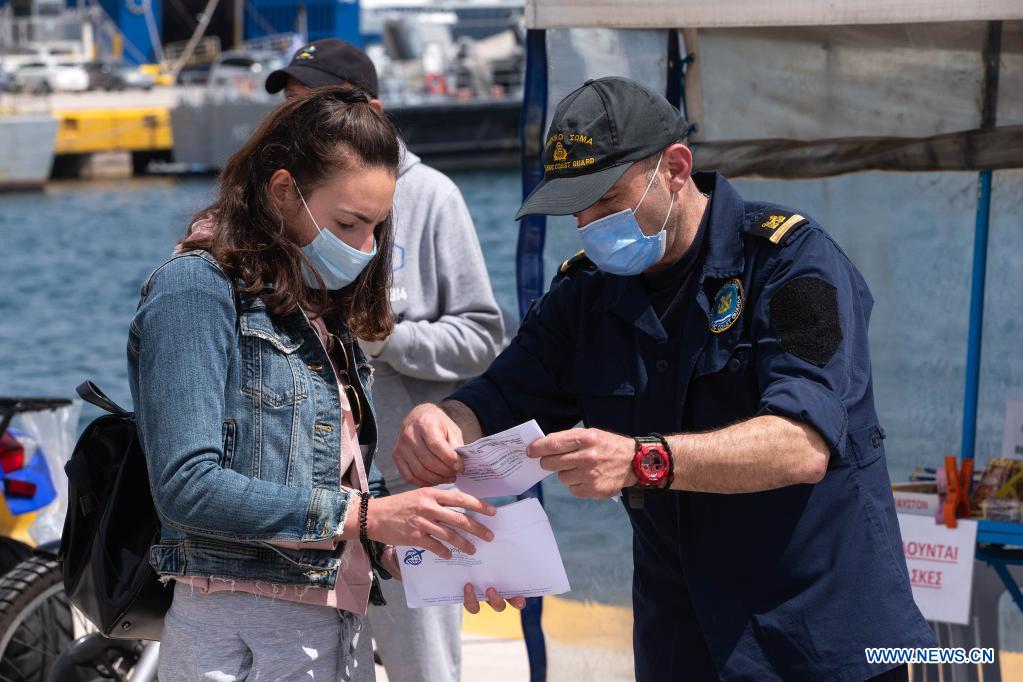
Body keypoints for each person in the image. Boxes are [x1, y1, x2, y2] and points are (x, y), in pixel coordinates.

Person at [392, 76, 938, 681]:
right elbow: (500, 396)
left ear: (676, 168)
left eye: (605, 200)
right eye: (574, 207)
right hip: (680, 639)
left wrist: (642, 460)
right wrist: (442, 421)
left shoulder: (792, 263)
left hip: (818, 639)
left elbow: (803, 442)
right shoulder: (585, 294)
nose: (588, 223)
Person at [128, 86, 521, 681]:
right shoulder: (194, 290)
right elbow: (186, 486)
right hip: (235, 645)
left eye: (377, 228)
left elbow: (338, 483)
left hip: (335, 638)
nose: (364, 248)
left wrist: (424, 550)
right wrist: (368, 517)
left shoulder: (318, 307)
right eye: (349, 223)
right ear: (283, 191)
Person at [266, 40, 505, 682]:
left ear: (368, 110)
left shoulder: (431, 196)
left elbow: (484, 337)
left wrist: (384, 340)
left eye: (309, 105)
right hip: (314, 501)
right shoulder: (283, 201)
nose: (291, 122)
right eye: (288, 106)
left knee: (422, 669)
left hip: (409, 490)